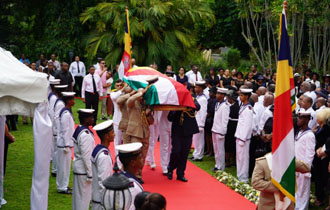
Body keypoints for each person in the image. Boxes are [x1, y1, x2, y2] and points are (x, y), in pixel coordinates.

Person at [167, 100, 200, 182]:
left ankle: (180, 173)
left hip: (188, 130)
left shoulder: (191, 99)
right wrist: (175, 109)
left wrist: (186, 104)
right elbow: (170, 118)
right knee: (176, 151)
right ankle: (170, 168)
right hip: (177, 130)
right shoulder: (175, 102)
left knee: (184, 153)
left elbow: (198, 106)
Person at [126, 88, 154, 183]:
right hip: (135, 132)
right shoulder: (133, 103)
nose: (142, 97)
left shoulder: (146, 105)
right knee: (135, 154)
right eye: (141, 95)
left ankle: (138, 174)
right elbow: (129, 100)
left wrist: (148, 114)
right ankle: (131, 173)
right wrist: (139, 93)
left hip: (145, 133)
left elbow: (151, 122)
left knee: (143, 155)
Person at [72, 109, 95, 210]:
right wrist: (90, 173)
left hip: (79, 168)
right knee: (83, 200)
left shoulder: (80, 129)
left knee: (78, 199)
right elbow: (86, 156)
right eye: (91, 117)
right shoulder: (85, 134)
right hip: (83, 171)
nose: (93, 119)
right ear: (86, 120)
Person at [91, 120, 115, 210]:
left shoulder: (98, 149)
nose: (114, 134)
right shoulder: (103, 155)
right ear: (106, 136)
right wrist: (107, 202)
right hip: (101, 202)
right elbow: (103, 181)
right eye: (112, 132)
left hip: (98, 198)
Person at [295, 110, 316, 210]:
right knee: (297, 191)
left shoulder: (310, 135)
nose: (298, 119)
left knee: (303, 193)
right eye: (298, 117)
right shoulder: (299, 132)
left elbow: (310, 154)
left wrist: (306, 170)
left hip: (303, 169)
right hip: (296, 166)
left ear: (307, 119)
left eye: (301, 117)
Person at [56, 92, 75, 194]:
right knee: (64, 167)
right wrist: (67, 144)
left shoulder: (67, 112)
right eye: (72, 99)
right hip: (64, 144)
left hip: (65, 143)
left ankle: (64, 185)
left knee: (65, 167)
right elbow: (65, 130)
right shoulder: (66, 113)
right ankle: (62, 187)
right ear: (68, 101)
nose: (74, 101)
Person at [116, 142, 144, 210]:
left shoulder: (121, 176)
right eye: (140, 158)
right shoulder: (132, 187)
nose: (142, 160)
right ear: (133, 163)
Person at [235, 88, 253, 183]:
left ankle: (244, 178)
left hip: (244, 138)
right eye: (240, 95)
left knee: (244, 158)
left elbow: (247, 125)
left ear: (246, 96)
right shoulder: (243, 106)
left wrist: (243, 138)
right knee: (239, 157)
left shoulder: (248, 109)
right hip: (239, 135)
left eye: (242, 95)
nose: (240, 97)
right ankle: (239, 175)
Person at [313, 108, 330, 207]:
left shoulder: (326, 128)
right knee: (318, 177)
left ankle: (320, 198)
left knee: (321, 178)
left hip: (323, 156)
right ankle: (319, 197)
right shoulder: (320, 127)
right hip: (319, 155)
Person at [211, 88, 230, 171]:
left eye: (219, 94)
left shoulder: (225, 106)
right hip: (215, 129)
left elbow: (225, 120)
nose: (217, 95)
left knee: (220, 150)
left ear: (223, 95)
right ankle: (217, 164)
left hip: (220, 131)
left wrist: (223, 132)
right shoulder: (217, 103)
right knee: (216, 149)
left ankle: (221, 166)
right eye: (217, 93)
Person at [52, 84, 68, 177]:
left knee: (56, 151)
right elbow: (57, 117)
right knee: (57, 151)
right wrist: (59, 131)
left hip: (55, 129)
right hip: (57, 130)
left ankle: (55, 168)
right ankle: (55, 169)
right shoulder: (60, 103)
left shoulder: (58, 101)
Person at [191, 81, 207, 162]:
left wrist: (201, 124)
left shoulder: (203, 99)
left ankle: (199, 155)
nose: (195, 88)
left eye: (197, 87)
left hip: (199, 121)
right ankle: (195, 153)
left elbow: (203, 112)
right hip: (195, 119)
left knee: (199, 140)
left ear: (201, 88)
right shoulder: (198, 97)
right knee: (195, 139)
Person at [224, 89, 239, 167]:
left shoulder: (232, 107)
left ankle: (228, 161)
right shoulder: (237, 105)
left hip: (231, 126)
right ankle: (232, 160)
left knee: (228, 144)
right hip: (234, 126)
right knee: (232, 144)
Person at [110, 80, 124, 155]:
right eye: (117, 86)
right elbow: (114, 97)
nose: (119, 87)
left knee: (124, 142)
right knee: (117, 141)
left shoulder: (127, 93)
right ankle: (117, 161)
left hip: (126, 121)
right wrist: (122, 90)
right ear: (115, 86)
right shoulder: (113, 93)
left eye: (121, 85)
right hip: (117, 121)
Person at [158, 110, 172, 175]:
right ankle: (164, 166)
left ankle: (170, 164)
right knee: (164, 145)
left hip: (173, 122)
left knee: (171, 146)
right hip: (163, 122)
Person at [204, 86, 217, 157]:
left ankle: (211, 151)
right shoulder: (209, 100)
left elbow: (211, 111)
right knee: (207, 136)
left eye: (211, 92)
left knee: (210, 137)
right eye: (209, 92)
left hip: (211, 119)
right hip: (207, 119)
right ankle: (208, 150)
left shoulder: (214, 101)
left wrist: (206, 115)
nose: (209, 94)